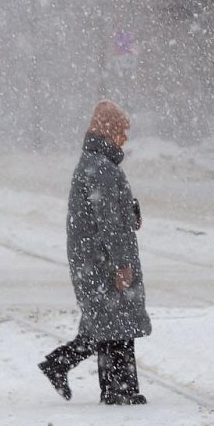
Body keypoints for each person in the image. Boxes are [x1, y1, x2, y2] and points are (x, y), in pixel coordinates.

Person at [38, 100, 151, 405]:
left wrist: (129, 212)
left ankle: (72, 370)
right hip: (102, 259)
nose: (125, 137)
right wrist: (121, 263)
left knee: (106, 323)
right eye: (121, 131)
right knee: (115, 323)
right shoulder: (102, 169)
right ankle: (119, 389)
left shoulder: (95, 163)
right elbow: (110, 223)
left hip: (93, 258)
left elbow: (108, 214)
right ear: (108, 130)